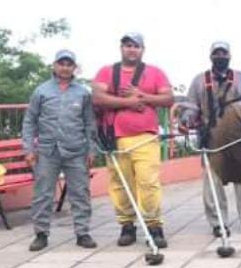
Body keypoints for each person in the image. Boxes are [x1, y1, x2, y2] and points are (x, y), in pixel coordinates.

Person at [92, 32, 174, 248]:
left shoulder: (155, 73)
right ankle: (127, 225)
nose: (132, 49)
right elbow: (98, 98)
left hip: (145, 136)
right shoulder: (107, 72)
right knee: (120, 184)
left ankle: (154, 225)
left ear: (142, 50)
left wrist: (143, 96)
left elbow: (168, 98)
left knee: (148, 182)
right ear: (121, 48)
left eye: (136, 46)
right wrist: (127, 103)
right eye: (128, 45)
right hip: (115, 137)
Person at [184, 41, 241, 237]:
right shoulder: (199, 80)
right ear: (211, 56)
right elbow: (191, 106)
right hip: (212, 136)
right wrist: (187, 119)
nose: (221, 56)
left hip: (238, 134)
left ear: (230, 56)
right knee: (213, 182)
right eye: (217, 53)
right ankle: (218, 222)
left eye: (224, 53)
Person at [22, 50, 96, 251]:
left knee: (80, 192)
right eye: (61, 63)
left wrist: (91, 150)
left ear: (74, 67)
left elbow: (89, 123)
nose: (65, 67)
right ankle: (41, 233)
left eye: (69, 64)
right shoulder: (41, 91)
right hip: (47, 151)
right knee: (43, 193)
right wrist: (29, 148)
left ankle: (83, 233)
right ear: (54, 66)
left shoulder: (82, 93)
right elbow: (30, 121)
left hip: (76, 150)